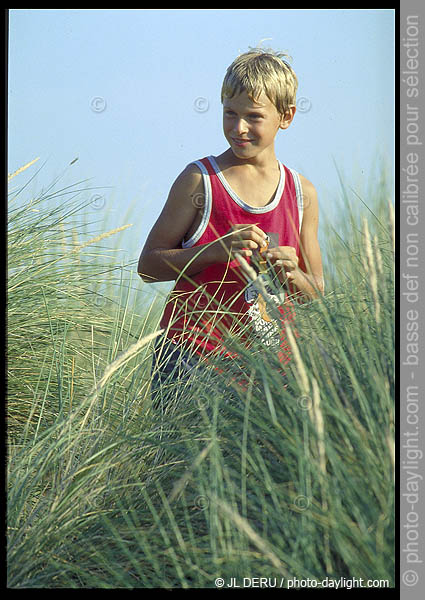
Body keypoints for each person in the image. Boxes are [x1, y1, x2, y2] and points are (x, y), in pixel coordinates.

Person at [138, 47, 324, 410]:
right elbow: (148, 266)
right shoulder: (200, 180)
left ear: (286, 117)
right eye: (229, 114)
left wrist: (292, 274)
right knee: (184, 463)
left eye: (253, 117)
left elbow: (316, 293)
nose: (238, 128)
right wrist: (214, 249)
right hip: (191, 356)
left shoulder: (302, 193)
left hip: (274, 366)